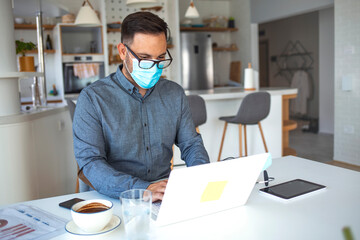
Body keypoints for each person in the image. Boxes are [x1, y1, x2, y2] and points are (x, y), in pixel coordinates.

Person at [73, 12, 210, 201]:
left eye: (160, 58)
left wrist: (200, 176)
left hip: (163, 196)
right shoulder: (93, 98)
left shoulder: (174, 94)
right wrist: (143, 189)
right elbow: (90, 164)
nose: (154, 66)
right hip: (113, 198)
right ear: (122, 51)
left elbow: (191, 144)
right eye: (145, 58)